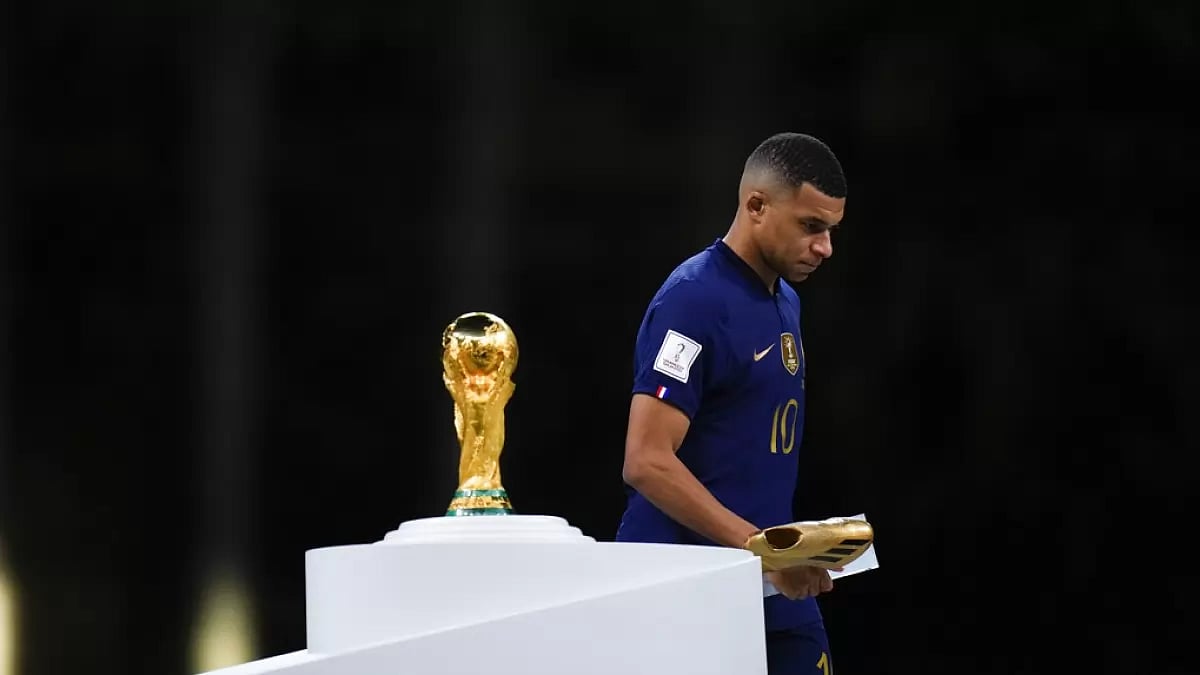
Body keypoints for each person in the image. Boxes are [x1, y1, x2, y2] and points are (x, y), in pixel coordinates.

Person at [615, 132, 848, 675]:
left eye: (831, 231)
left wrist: (790, 549)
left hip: (769, 583)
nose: (825, 248)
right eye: (811, 227)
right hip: (678, 584)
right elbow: (646, 460)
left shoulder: (786, 301)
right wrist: (760, 548)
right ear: (757, 206)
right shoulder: (693, 299)